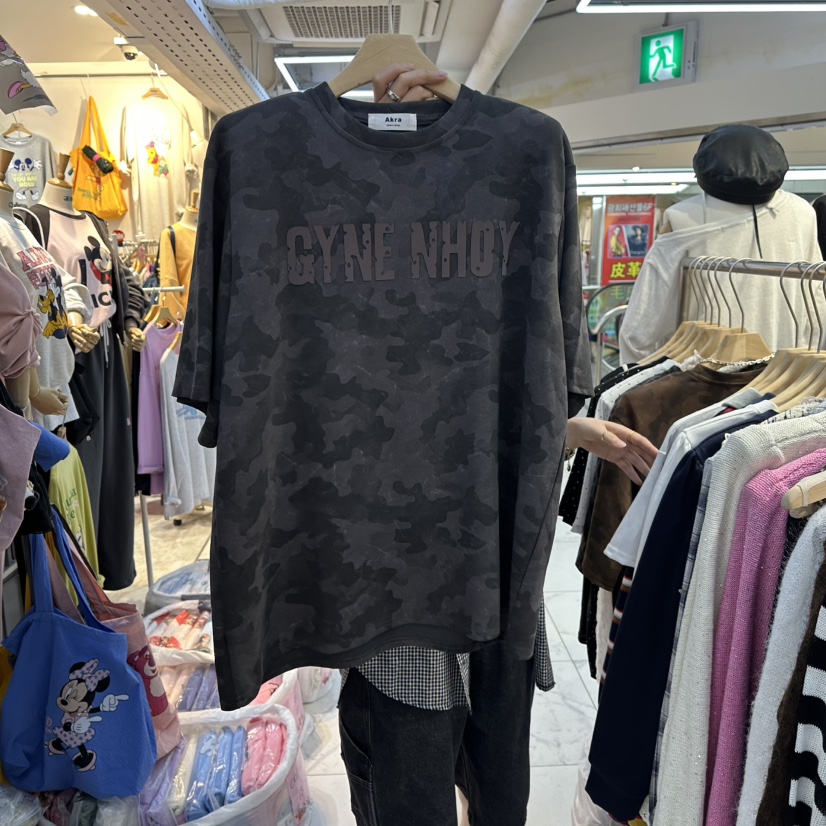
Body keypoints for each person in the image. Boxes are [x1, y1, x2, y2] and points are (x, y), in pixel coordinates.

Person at [336, 63, 659, 826]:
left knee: (481, 758)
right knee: (419, 760)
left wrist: (563, 430)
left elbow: (509, 382)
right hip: (406, 573)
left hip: (486, 558)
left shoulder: (516, 191)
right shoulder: (349, 237)